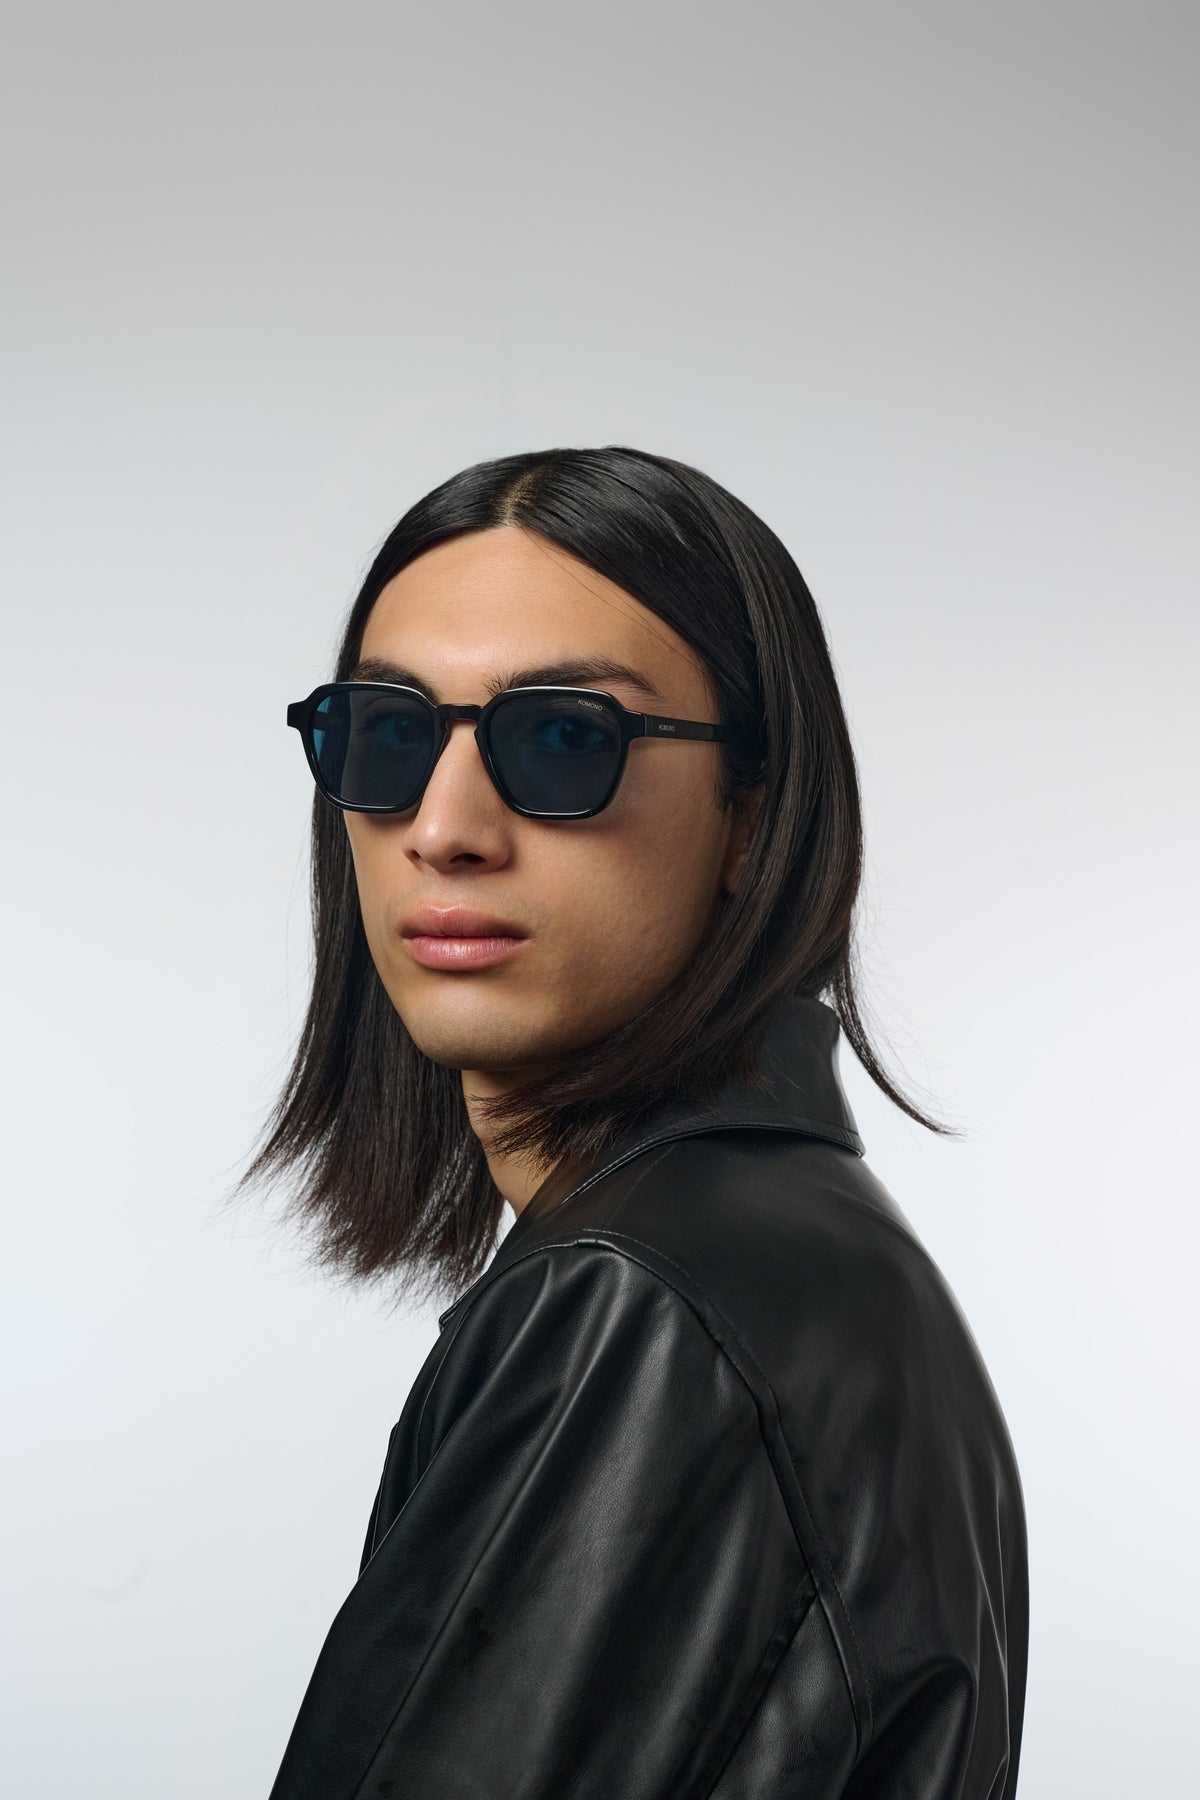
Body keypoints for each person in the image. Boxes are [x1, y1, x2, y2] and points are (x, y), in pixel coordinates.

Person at [236, 445, 1029, 1798]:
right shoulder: (796, 1258)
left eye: (564, 738)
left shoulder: (639, 1299)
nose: (445, 828)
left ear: (750, 821)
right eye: (390, 735)